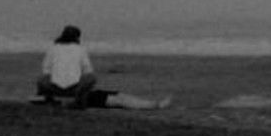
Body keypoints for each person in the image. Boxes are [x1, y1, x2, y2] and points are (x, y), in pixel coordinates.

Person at [33, 24, 171, 110]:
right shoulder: (80, 49)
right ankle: (154, 105)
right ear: (77, 38)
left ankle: (153, 104)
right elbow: (88, 72)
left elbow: (46, 72)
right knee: (116, 98)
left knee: (115, 96)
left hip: (56, 91)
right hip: (77, 93)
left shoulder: (53, 48)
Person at [36, 24, 98, 108]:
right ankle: (79, 99)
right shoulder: (80, 49)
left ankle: (48, 98)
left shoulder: (53, 48)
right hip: (75, 88)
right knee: (91, 77)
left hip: (54, 88)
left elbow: (46, 69)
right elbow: (88, 70)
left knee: (42, 78)